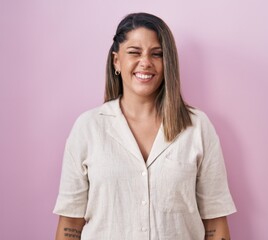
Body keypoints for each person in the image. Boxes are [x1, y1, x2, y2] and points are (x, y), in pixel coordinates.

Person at [53, 12, 236, 240]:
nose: (146, 62)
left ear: (167, 62)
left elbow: (215, 221)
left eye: (157, 54)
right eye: (134, 52)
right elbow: (70, 222)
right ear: (116, 61)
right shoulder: (87, 128)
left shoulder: (197, 127)